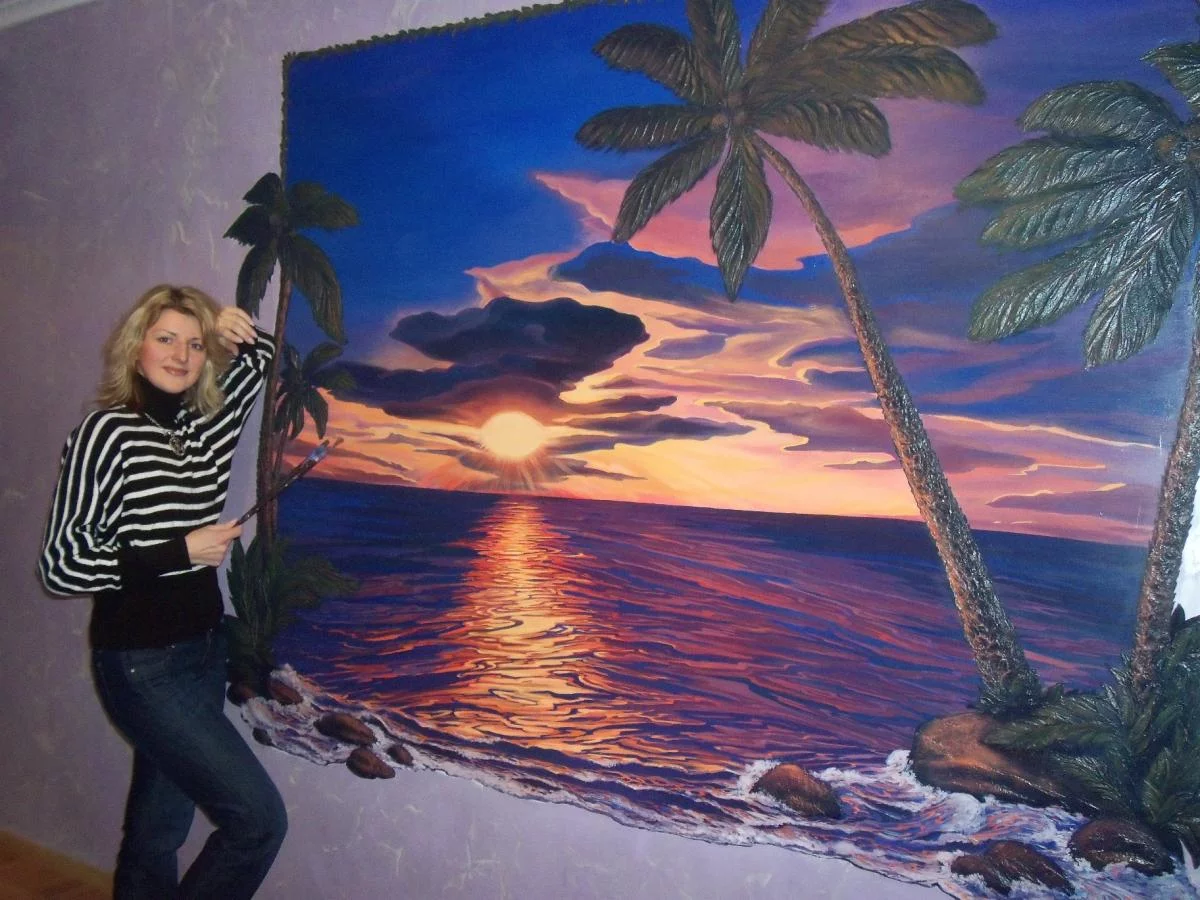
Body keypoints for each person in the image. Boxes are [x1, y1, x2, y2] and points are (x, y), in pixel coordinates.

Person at [39, 284, 286, 899]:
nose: (181, 355)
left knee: (157, 832)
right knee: (257, 821)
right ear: (136, 347)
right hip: (141, 664)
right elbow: (61, 565)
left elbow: (263, 356)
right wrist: (180, 552)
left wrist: (233, 328)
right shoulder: (106, 433)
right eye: (166, 338)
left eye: (195, 345)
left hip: (204, 653)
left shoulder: (208, 428)